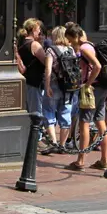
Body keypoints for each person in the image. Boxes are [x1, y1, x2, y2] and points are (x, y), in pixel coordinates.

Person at [65, 23, 107, 171]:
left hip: (92, 88)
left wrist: (87, 84)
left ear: (75, 37)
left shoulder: (84, 48)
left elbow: (97, 66)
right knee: (100, 123)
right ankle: (104, 159)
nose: (70, 43)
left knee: (84, 123)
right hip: (102, 87)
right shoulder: (90, 45)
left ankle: (81, 160)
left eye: (70, 40)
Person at [16, 19, 52, 146]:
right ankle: (36, 138)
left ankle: (31, 135)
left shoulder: (21, 43)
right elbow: (45, 62)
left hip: (26, 79)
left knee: (29, 109)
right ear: (32, 30)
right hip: (35, 81)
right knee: (36, 111)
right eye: (38, 30)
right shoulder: (35, 45)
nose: (40, 32)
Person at [42, 26, 75, 154]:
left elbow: (48, 69)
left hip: (55, 85)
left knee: (49, 111)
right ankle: (62, 145)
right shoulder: (70, 49)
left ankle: (54, 142)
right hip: (68, 87)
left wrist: (47, 85)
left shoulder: (51, 50)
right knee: (66, 113)